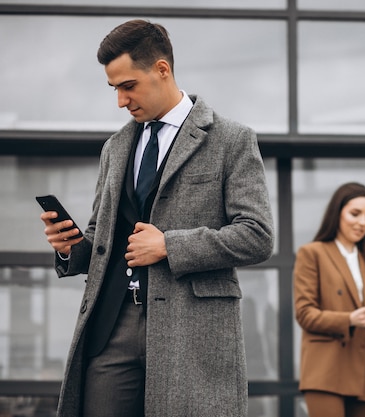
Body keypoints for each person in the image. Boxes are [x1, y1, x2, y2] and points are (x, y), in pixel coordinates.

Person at [39, 19, 274, 417]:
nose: (120, 100)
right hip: (113, 325)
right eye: (114, 88)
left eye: (128, 86)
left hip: (191, 332)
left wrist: (170, 244)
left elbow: (257, 236)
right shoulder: (114, 148)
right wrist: (71, 248)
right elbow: (102, 238)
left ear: (162, 69)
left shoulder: (231, 140)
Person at [293, 182, 365, 417]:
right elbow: (305, 314)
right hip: (326, 368)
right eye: (355, 214)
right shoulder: (312, 253)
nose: (362, 222)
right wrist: (351, 319)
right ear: (338, 212)